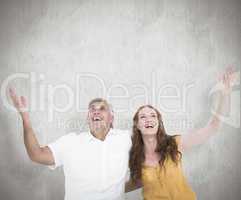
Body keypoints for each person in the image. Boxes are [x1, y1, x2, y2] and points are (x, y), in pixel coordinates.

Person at [126, 67, 236, 200]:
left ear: (158, 122)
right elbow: (138, 182)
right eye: (143, 117)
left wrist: (225, 94)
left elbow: (213, 127)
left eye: (153, 116)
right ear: (137, 125)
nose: (148, 119)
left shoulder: (175, 143)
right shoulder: (135, 155)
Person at [9, 92, 131, 200]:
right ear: (88, 118)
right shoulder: (70, 142)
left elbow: (148, 158)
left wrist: (118, 190)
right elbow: (36, 155)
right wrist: (25, 117)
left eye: (102, 108)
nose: (96, 111)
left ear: (111, 117)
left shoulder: (125, 138)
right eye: (92, 109)